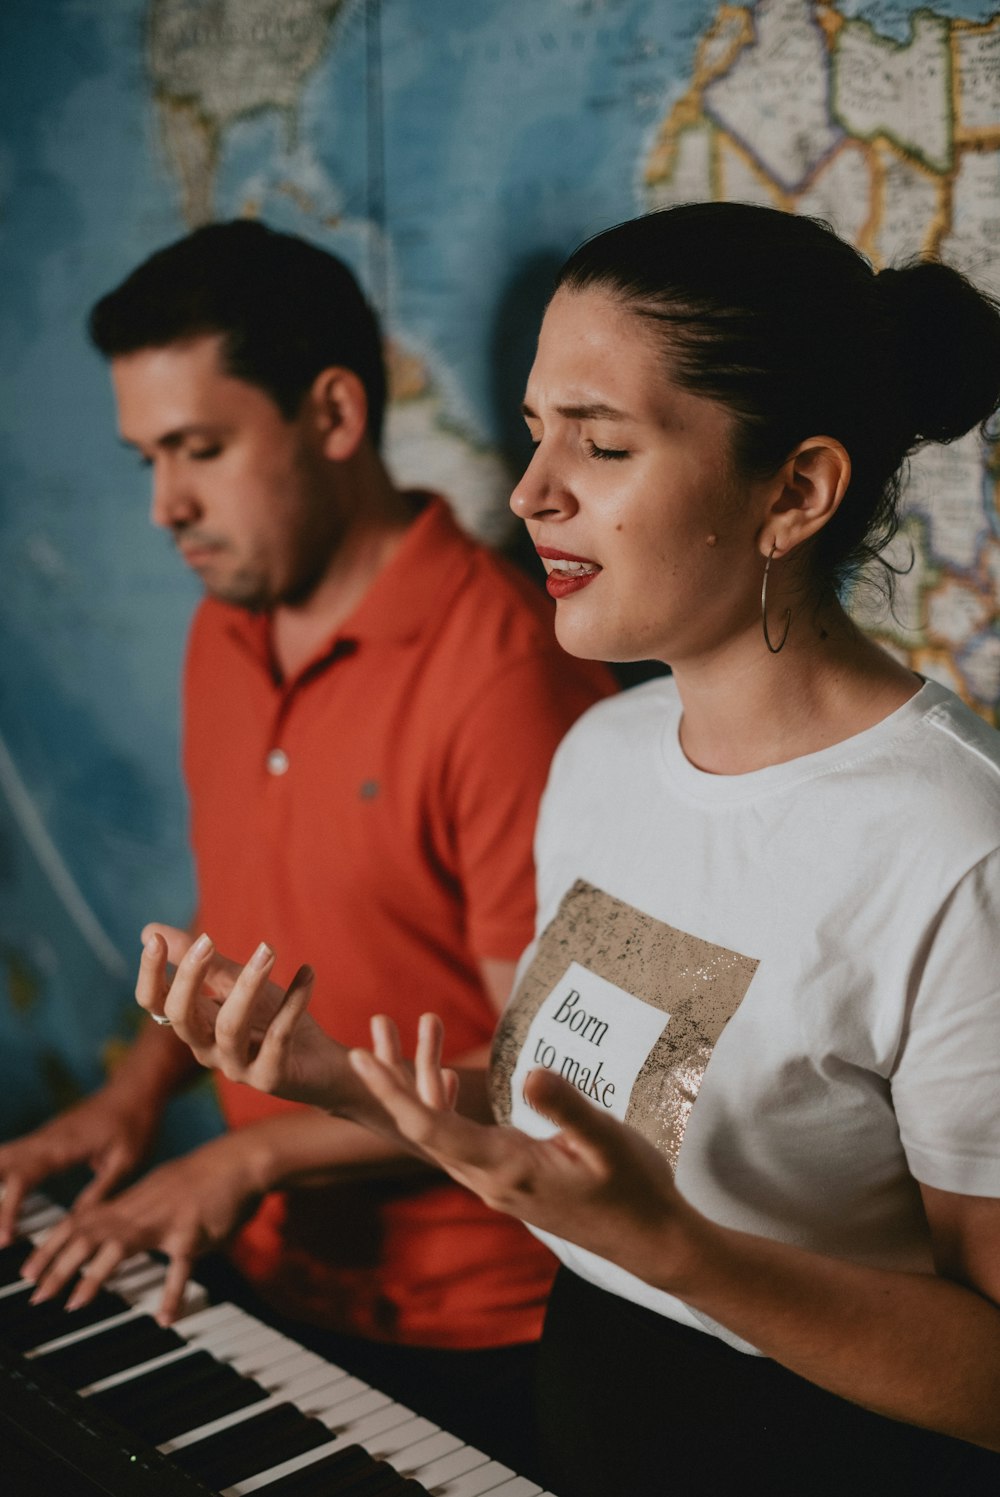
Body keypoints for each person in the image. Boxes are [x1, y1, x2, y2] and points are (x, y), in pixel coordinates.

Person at [141, 202, 1000, 1496]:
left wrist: (680, 1251)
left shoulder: (955, 847)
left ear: (796, 492)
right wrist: (344, 1084)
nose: (531, 490)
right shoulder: (601, 753)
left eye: (600, 444)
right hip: (586, 1397)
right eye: (539, 433)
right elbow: (589, 1120)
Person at [0, 219, 614, 1466]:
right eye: (146, 460)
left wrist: (255, 1156)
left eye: (201, 449)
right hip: (276, 1274)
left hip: (483, 1330)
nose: (168, 504)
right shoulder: (225, 629)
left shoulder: (504, 671)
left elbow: (551, 1085)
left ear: (333, 414)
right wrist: (133, 1101)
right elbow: (259, 924)